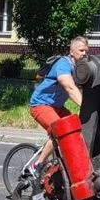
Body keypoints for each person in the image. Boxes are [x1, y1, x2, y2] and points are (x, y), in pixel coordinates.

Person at [26, 36, 89, 176]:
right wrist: (86, 107)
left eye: (86, 51)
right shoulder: (63, 64)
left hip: (57, 107)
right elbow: (69, 87)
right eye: (81, 50)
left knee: (77, 127)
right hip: (41, 105)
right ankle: (37, 165)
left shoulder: (79, 69)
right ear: (72, 51)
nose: (84, 53)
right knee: (59, 131)